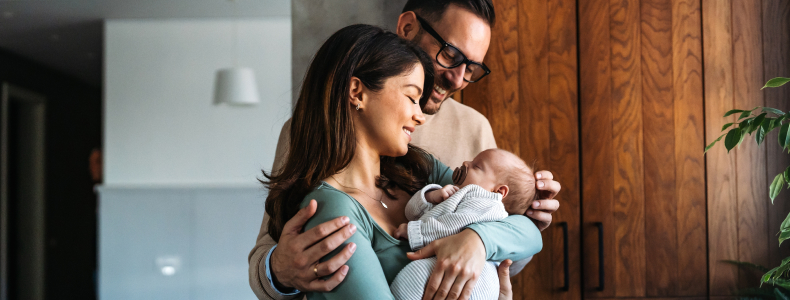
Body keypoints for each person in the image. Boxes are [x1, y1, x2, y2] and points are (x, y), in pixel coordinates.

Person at [249, 1, 562, 299]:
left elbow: (515, 237)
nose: (458, 78)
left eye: (472, 68)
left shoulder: (425, 159)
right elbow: (272, 248)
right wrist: (280, 271)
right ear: (409, 27)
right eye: (451, 54)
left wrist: (482, 238)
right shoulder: (318, 171)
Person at [390, 149, 539, 300]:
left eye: (476, 166)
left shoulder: (486, 202)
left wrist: (413, 231)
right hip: (477, 283)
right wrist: (431, 196)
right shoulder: (461, 195)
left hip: (476, 282)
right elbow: (414, 213)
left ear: (499, 191)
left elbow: (449, 226)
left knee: (408, 281)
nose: (465, 163)